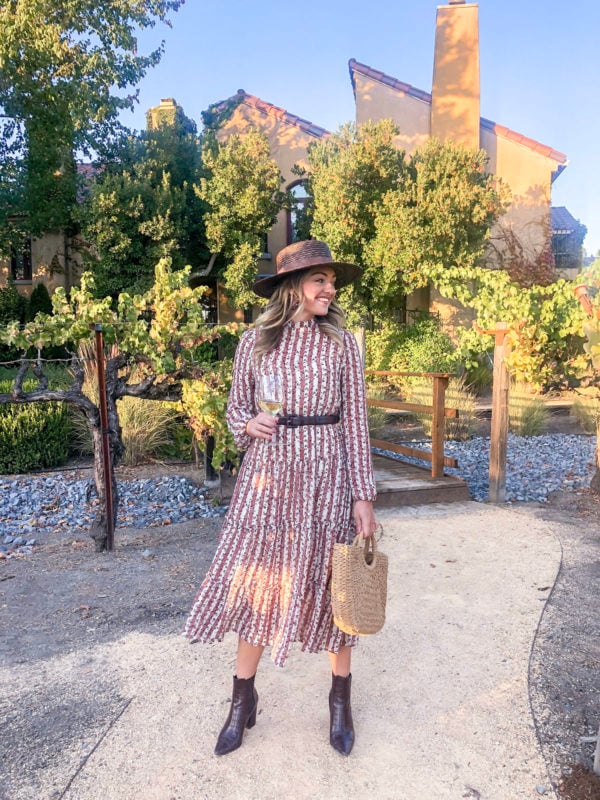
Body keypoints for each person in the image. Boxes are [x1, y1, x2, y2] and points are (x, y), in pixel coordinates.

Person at [184, 239, 378, 757]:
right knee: (257, 582)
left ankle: (340, 702)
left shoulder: (343, 344)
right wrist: (249, 424)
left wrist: (363, 495)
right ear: (293, 287)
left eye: (331, 281)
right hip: (268, 479)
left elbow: (356, 423)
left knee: (337, 587)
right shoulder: (255, 342)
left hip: (327, 477)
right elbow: (235, 411)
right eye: (320, 280)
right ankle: (241, 700)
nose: (329, 289)